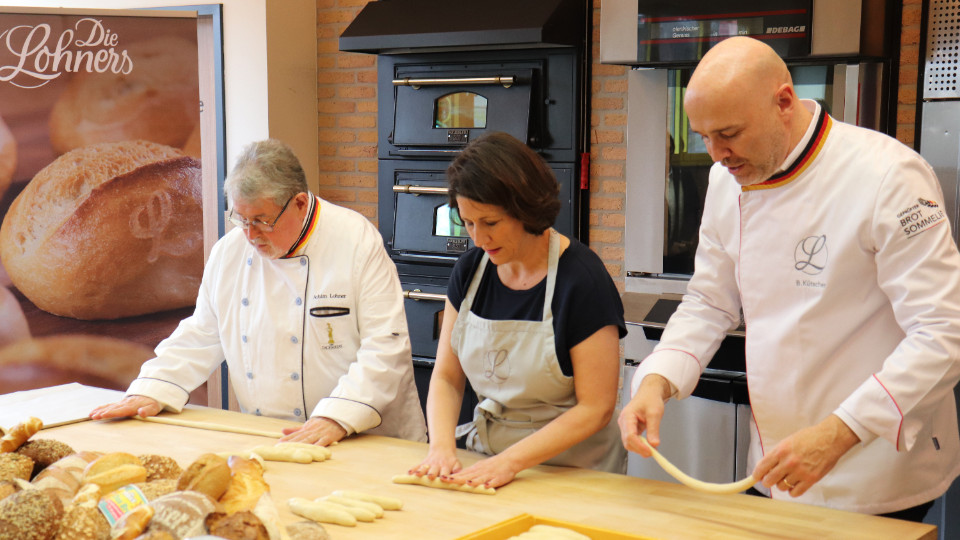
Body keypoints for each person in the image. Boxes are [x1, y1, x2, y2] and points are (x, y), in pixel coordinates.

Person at [618, 36, 960, 521]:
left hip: (876, 464)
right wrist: (655, 381)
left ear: (783, 101)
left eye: (730, 133)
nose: (716, 154)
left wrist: (838, 432)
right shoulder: (726, 179)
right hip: (775, 460)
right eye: (704, 137)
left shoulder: (889, 176)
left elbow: (944, 331)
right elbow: (709, 302)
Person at [91, 139, 427, 445]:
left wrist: (337, 415)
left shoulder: (355, 240)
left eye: (263, 221)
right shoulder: (230, 253)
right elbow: (202, 333)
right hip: (272, 436)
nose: (251, 235)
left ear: (298, 203)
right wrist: (153, 389)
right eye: (241, 218)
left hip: (366, 436)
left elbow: (386, 345)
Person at [409, 132, 627, 489]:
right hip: (488, 461)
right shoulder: (470, 272)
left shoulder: (582, 280)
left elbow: (597, 407)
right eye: (468, 222)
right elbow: (448, 378)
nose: (478, 239)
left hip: (575, 471)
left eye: (490, 223)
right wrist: (441, 448)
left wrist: (511, 463)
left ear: (525, 209)